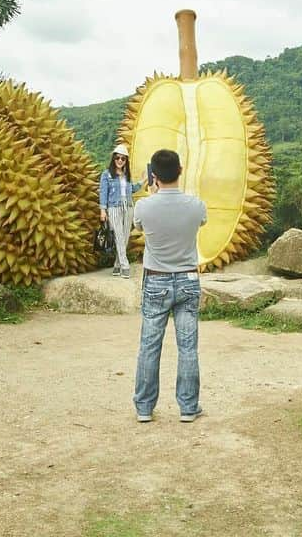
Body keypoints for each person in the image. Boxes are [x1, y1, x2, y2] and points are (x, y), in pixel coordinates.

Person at [132, 149, 207, 423]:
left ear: (154, 176)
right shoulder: (196, 205)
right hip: (188, 280)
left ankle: (144, 408)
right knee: (188, 347)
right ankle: (188, 407)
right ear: (181, 169)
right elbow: (201, 221)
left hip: (156, 280)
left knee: (149, 346)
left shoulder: (144, 207)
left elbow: (138, 226)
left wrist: (152, 193)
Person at [99, 144, 143, 278]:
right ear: (113, 159)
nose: (120, 161)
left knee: (124, 237)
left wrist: (143, 181)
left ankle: (117, 265)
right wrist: (103, 210)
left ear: (126, 161)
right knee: (118, 235)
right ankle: (125, 265)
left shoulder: (126, 175)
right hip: (114, 207)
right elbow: (103, 192)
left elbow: (132, 189)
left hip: (128, 207)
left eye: (123, 159)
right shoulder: (106, 175)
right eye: (117, 158)